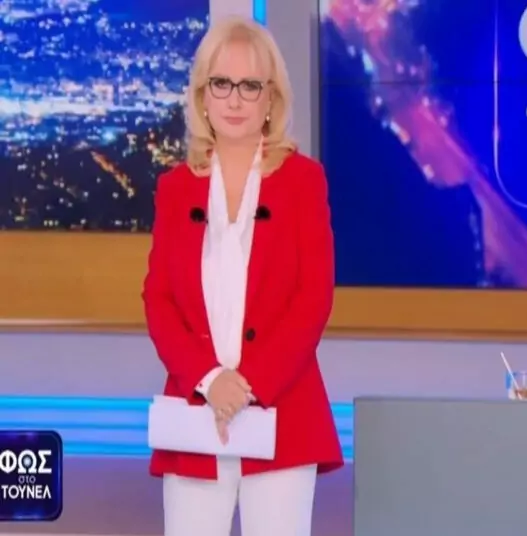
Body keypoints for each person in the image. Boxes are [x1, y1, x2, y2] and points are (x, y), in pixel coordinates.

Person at [141, 15, 343, 536]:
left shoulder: (303, 181)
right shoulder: (175, 189)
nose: (234, 100)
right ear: (202, 97)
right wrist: (211, 381)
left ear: (271, 98)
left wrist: (250, 385)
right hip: (195, 414)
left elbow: (313, 298)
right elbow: (159, 299)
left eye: (250, 85)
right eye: (221, 84)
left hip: (283, 415)